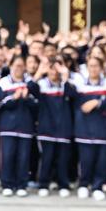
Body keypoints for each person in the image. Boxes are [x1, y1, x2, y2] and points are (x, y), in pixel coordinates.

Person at [0, 55, 36, 198]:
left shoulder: (29, 82)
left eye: (21, 66)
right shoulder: (4, 82)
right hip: (7, 127)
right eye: (16, 65)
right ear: (10, 66)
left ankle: (21, 184)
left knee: (23, 157)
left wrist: (26, 97)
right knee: (7, 156)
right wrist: (14, 97)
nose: (18, 68)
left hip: (26, 126)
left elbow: (37, 103)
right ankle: (7, 184)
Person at [71, 56, 106, 201]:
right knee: (85, 160)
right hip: (84, 128)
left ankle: (98, 186)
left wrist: (97, 102)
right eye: (91, 66)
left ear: (102, 68)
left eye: (96, 66)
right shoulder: (80, 85)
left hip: (103, 129)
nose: (94, 69)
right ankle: (83, 185)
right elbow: (77, 102)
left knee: (101, 161)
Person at [34, 57, 73, 198]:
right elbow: (30, 89)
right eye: (51, 68)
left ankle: (63, 184)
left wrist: (66, 77)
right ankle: (43, 184)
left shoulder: (67, 84)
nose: (54, 71)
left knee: (63, 159)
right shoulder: (42, 84)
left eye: (57, 68)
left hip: (64, 128)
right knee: (47, 158)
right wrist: (39, 72)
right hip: (47, 128)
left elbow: (73, 96)